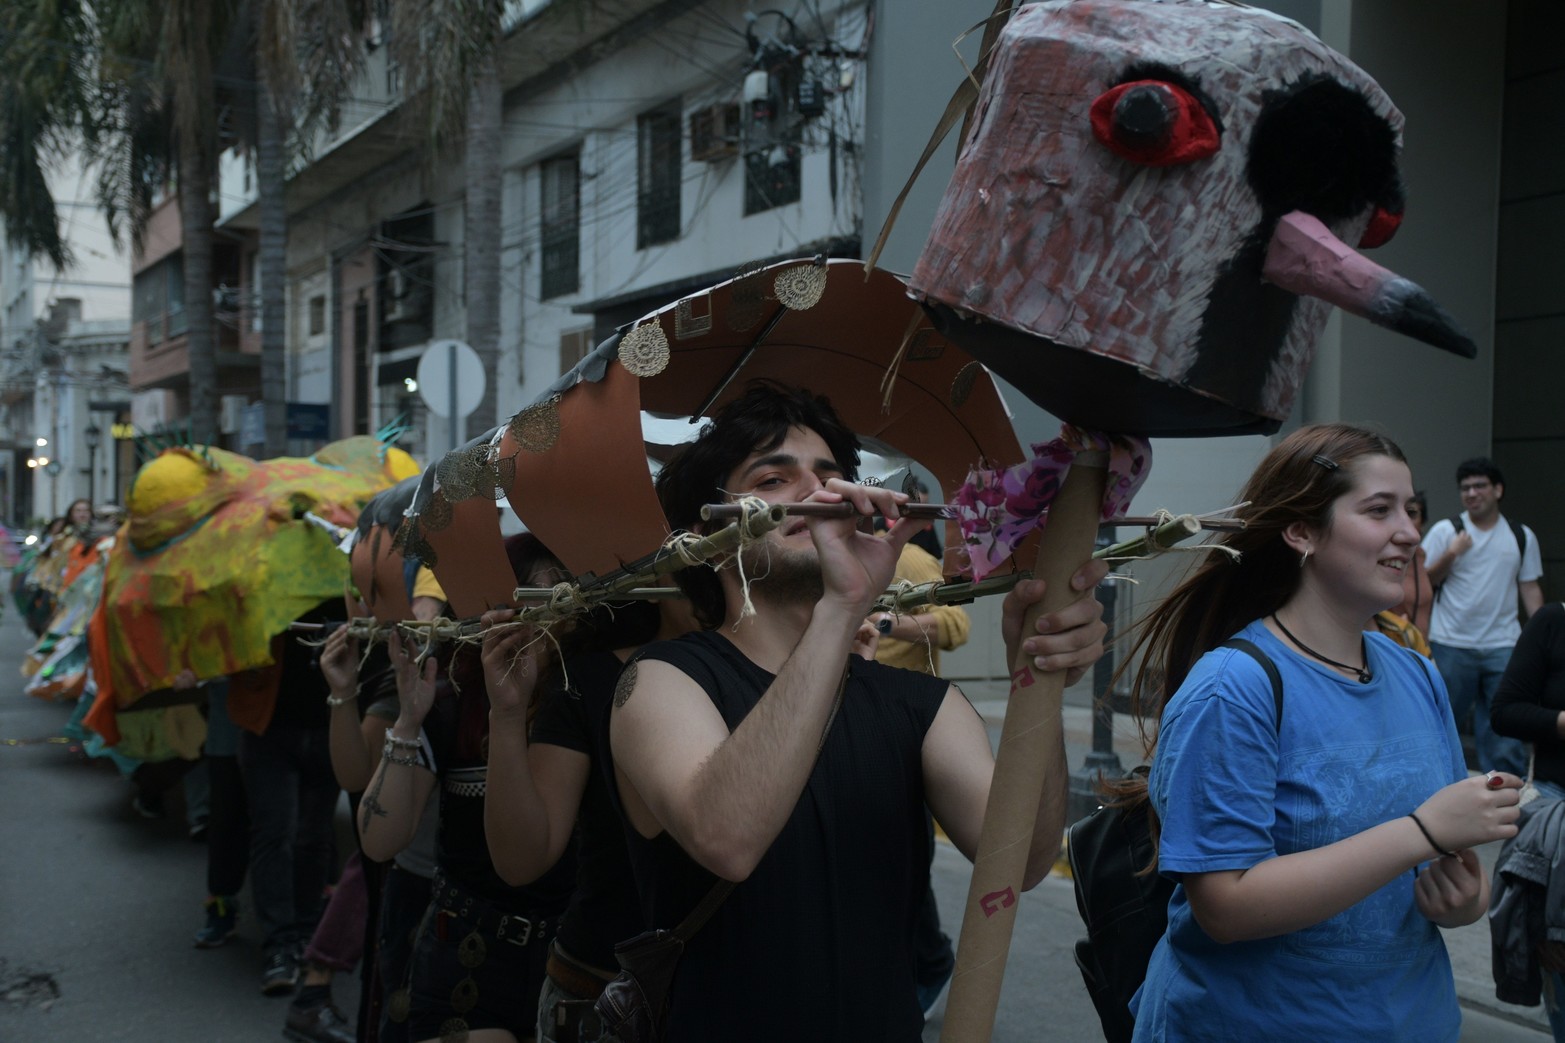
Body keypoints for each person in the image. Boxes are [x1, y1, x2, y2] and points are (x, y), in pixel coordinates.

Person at [609, 382, 1109, 1040]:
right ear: (707, 531)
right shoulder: (662, 680)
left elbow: (1016, 861)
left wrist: (1036, 681)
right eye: (773, 476)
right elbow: (726, 838)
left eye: (830, 476)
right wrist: (842, 607)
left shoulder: (920, 704)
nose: (815, 494)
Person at [1117, 424, 1523, 1042]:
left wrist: (1463, 896)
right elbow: (1225, 906)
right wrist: (1419, 832)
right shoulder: (1234, 686)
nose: (1410, 532)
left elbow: (1437, 861)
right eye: (1379, 510)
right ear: (1301, 531)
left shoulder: (1415, 670)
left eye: (1410, 510)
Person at [356, 535, 576, 1043]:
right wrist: (409, 720)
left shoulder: (585, 701)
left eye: (558, 603)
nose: (537, 624)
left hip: (573, 959)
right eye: (522, 605)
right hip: (465, 956)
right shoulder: (453, 700)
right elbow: (378, 840)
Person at [1423, 457, 1543, 777]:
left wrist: (1542, 636)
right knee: (1441, 721)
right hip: (1451, 643)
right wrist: (1453, 553)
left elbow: (1529, 588)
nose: (1471, 493)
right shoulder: (1447, 531)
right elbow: (1422, 582)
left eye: (1479, 486)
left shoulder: (1520, 535)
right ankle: (1438, 787)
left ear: (1498, 490)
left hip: (1503, 644)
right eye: (1465, 488)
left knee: (1504, 728)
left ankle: (1508, 799)